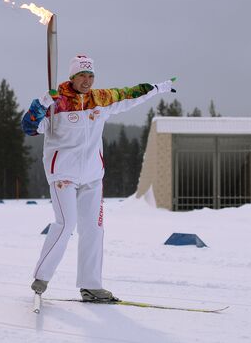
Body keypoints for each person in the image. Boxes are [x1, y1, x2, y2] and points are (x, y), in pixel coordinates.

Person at [21, 55, 174, 301]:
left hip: (92, 175)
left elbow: (129, 95)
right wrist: (40, 105)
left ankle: (91, 285)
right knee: (66, 224)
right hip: (63, 175)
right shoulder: (56, 102)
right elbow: (29, 127)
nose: (87, 80)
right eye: (82, 75)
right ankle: (42, 277)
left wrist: (158, 88)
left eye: (91, 75)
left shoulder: (99, 100)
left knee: (93, 228)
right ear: (72, 77)